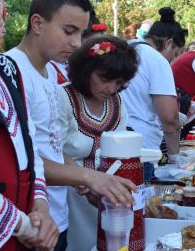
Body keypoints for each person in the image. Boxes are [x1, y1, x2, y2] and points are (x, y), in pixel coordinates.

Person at [6, 0, 136, 250]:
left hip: (57, 218)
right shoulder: (10, 72)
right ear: (37, 24)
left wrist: (83, 178)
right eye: (69, 31)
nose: (77, 43)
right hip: (30, 224)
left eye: (80, 32)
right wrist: (89, 177)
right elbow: (19, 160)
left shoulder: (50, 73)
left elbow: (53, 147)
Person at [0, 0, 58, 249]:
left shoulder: (7, 68)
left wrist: (41, 207)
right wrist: (22, 225)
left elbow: (29, 143)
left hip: (21, 227)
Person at [59, 35, 138, 251]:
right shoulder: (62, 97)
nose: (111, 88)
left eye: (119, 82)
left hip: (107, 199)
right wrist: (84, 182)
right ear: (86, 71)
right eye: (105, 79)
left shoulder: (117, 103)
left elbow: (121, 152)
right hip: (69, 199)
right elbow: (53, 148)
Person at [120, 7, 188, 179]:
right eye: (175, 54)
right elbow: (169, 119)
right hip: (143, 149)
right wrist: (174, 158)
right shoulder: (157, 60)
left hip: (113, 143)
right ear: (168, 43)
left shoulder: (123, 48)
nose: (172, 60)